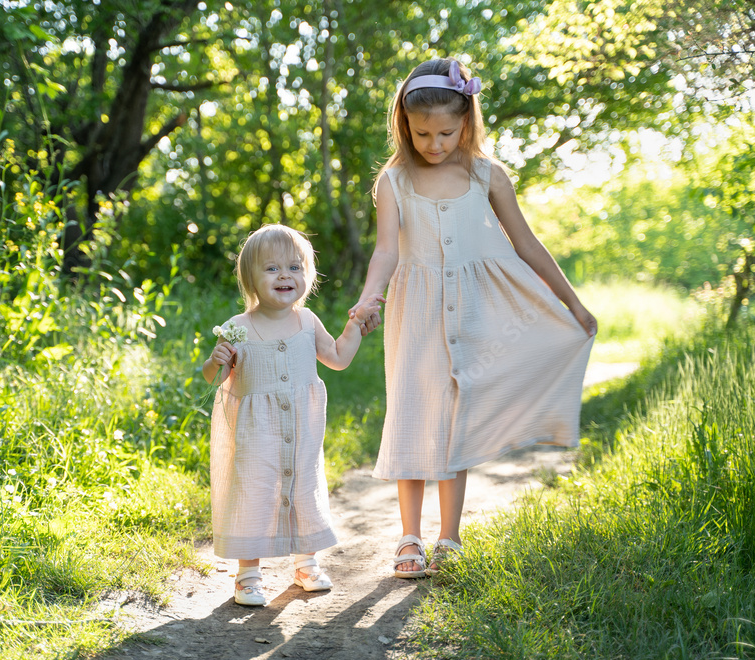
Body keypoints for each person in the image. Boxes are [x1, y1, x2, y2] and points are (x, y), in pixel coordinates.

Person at [348, 57, 597, 578]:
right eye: (421, 134)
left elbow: (527, 244)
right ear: (403, 125)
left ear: (466, 122)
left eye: (445, 132)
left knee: (457, 417)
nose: (434, 144)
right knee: (414, 411)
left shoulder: (487, 173)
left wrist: (573, 303)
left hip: (477, 312)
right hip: (415, 314)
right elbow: (386, 252)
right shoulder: (394, 180)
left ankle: (449, 536)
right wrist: (370, 297)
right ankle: (409, 536)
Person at [203, 224, 379, 605]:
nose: (285, 275)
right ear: (250, 278)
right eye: (271, 268)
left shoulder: (307, 320)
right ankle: (248, 574)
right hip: (255, 434)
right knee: (254, 491)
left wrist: (355, 326)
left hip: (300, 430)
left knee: (302, 488)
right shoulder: (238, 328)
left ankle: (306, 563)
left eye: (295, 267)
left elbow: (337, 358)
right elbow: (215, 377)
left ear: (307, 276)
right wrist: (214, 361)